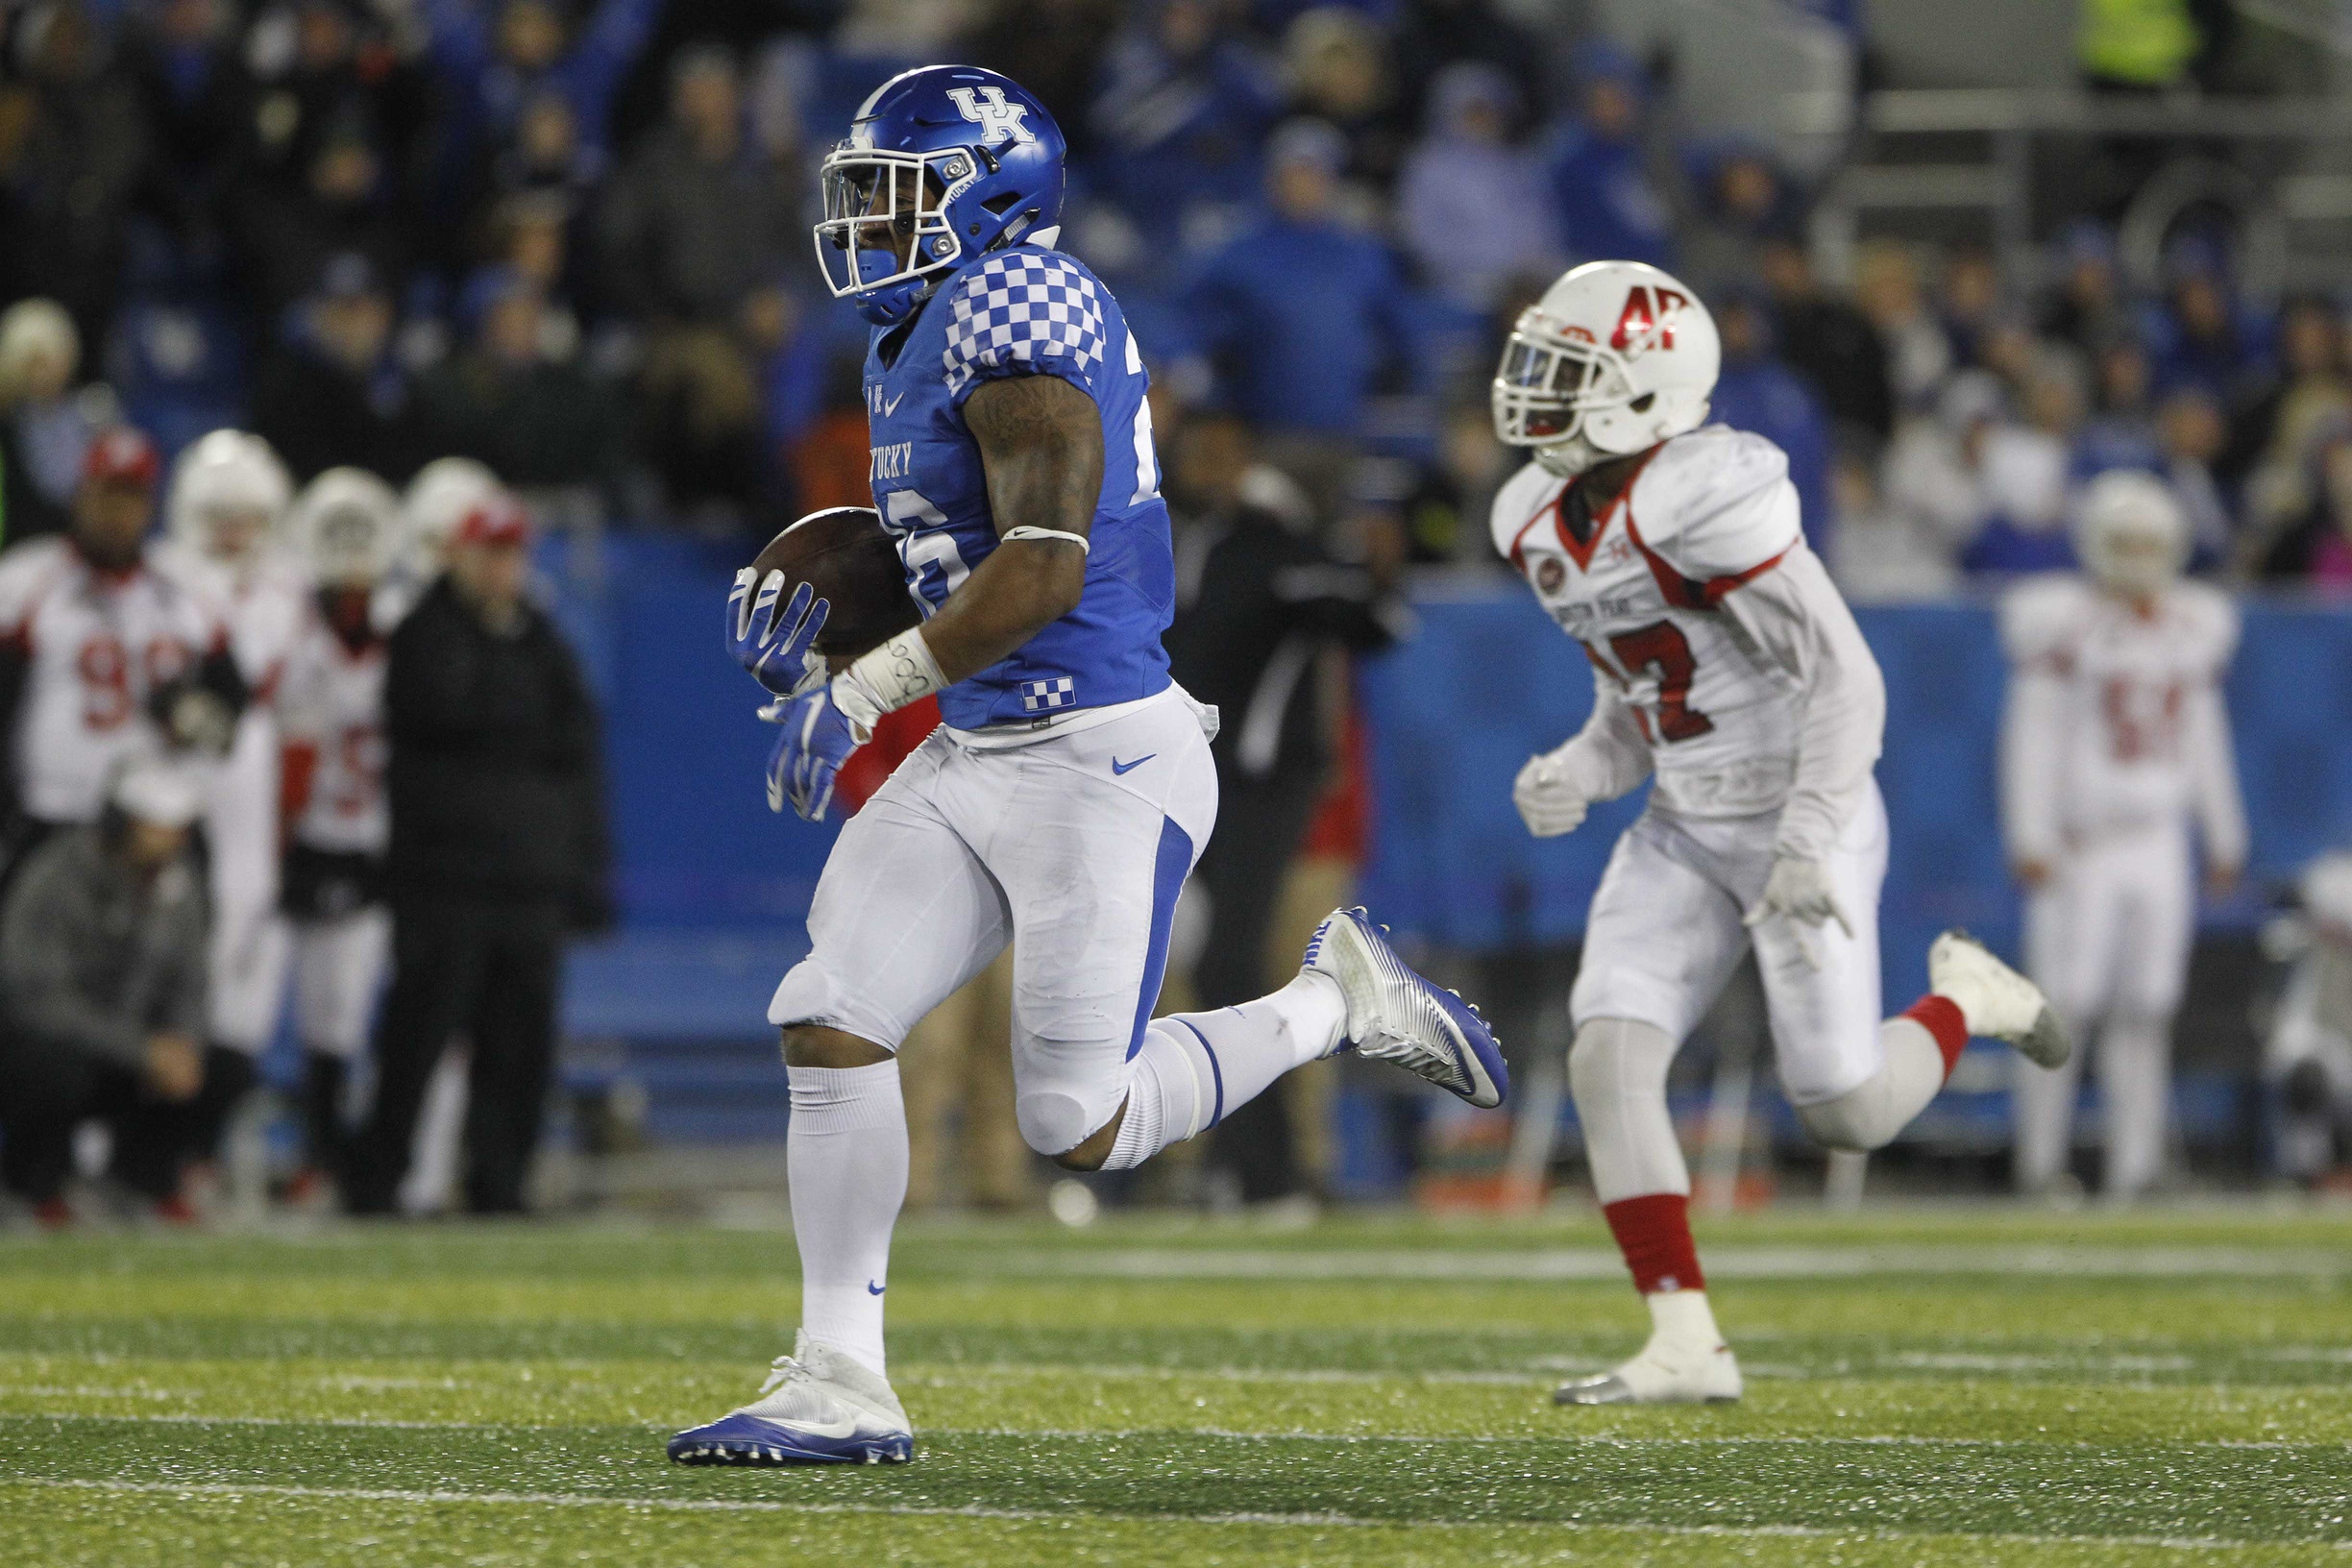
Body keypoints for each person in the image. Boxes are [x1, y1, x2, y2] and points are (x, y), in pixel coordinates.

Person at [666, 66, 1504, 1468]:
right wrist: (827, 636)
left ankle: (1331, 1002)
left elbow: (1044, 565)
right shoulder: (910, 331)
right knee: (830, 1015)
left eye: (897, 191)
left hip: (1097, 754)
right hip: (982, 742)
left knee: (1083, 1122)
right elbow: (948, 555)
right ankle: (838, 1379)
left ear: (988, 197)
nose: (867, 219)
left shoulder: (1020, 297)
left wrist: (866, 688)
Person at [1488, 260, 2068, 1406]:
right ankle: (1685, 1340)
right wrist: (1577, 769)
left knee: (1845, 1109)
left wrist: (1807, 836)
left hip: (1806, 808)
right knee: (1609, 1052)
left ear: (1646, 390)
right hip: (1683, 820)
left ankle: (1967, 998)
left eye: (1571, 370)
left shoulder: (1707, 492)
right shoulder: (1540, 515)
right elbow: (1640, 705)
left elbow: (1848, 681)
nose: (1534, 388)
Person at [342, 490, 612, 1216]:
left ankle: (500, 1184)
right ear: (457, 555)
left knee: (519, 1049)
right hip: (444, 880)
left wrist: (585, 867)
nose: (501, 569)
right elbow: (446, 716)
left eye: (511, 553)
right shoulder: (427, 635)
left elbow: (581, 760)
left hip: (528, 881)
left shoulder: (544, 645)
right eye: (488, 552)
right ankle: (375, 1182)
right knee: (415, 1042)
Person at [1164, 409, 1409, 1206]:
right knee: (1192, 971)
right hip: (1172, 788)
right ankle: (1217, 1167)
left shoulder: (1276, 549)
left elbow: (1369, 623)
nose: (1212, 468)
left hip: (1260, 788)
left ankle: (1266, 1176)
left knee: (1233, 963)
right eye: (1200, 452)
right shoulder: (1153, 547)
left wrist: (1378, 574)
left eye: (1227, 452)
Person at [1999, 472, 2245, 1201]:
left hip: (2159, 838)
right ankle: (2040, 1164)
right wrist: (2031, 833)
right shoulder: (2064, 625)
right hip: (2083, 842)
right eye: (2125, 542)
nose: (2139, 557)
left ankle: (2137, 1168)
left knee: (2149, 1006)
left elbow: (2204, 735)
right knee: (2061, 1007)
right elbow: (2032, 735)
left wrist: (2223, 832)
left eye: (2150, 543)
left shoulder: (2189, 627)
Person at [0, 426, 244, 871]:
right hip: (55, 811)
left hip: (153, 820)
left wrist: (195, 714)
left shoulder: (184, 591)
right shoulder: (25, 581)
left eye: (130, 498)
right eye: (106, 494)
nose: (116, 513)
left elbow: (232, 703)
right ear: (81, 495)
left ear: (150, 507)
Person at [0, 757, 216, 1225]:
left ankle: (137, 1183)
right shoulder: (56, 873)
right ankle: (31, 1188)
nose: (171, 839)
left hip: (127, 1049)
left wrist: (183, 1044)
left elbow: (192, 986)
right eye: (155, 824)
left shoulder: (181, 884)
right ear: (121, 820)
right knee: (50, 1068)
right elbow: (31, 997)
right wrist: (140, 1049)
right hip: (57, 1043)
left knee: (222, 1066)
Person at [156, 430, 307, 1084]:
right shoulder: (163, 577)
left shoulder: (292, 586)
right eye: (223, 518)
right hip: (176, 761)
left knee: (246, 920)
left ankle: (194, 1121)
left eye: (251, 520)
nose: (238, 533)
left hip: (254, 767)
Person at [277, 467, 409, 1192]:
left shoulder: (402, 633)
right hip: (307, 838)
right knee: (298, 1011)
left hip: (378, 840)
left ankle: (336, 1158)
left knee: (347, 1015)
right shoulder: (294, 637)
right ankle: (313, 1154)